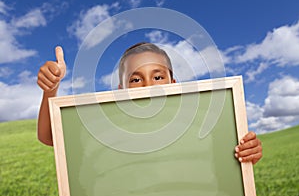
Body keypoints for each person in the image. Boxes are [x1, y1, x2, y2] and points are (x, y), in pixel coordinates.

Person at [37, 42, 262, 164]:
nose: (148, 86)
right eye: (135, 79)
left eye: (157, 77)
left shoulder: (199, 124)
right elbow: (49, 136)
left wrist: (247, 152)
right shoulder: (108, 127)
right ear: (120, 90)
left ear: (173, 83)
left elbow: (226, 159)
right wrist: (51, 89)